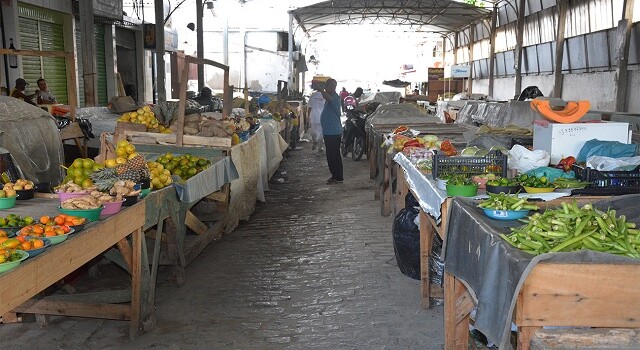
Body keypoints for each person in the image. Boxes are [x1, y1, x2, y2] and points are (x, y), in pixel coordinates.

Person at [320, 78, 343, 184]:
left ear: (332, 87)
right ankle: (337, 176)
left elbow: (328, 98)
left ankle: (336, 176)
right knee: (333, 155)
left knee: (333, 155)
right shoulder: (332, 98)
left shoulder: (334, 98)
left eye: (326, 86)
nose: (325, 88)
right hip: (330, 132)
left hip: (333, 132)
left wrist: (320, 90)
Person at [308, 84, 325, 152]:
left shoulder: (313, 95)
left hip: (313, 115)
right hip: (322, 116)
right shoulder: (325, 95)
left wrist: (308, 116)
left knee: (314, 130)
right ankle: (319, 147)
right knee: (321, 132)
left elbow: (309, 107)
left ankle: (314, 141)